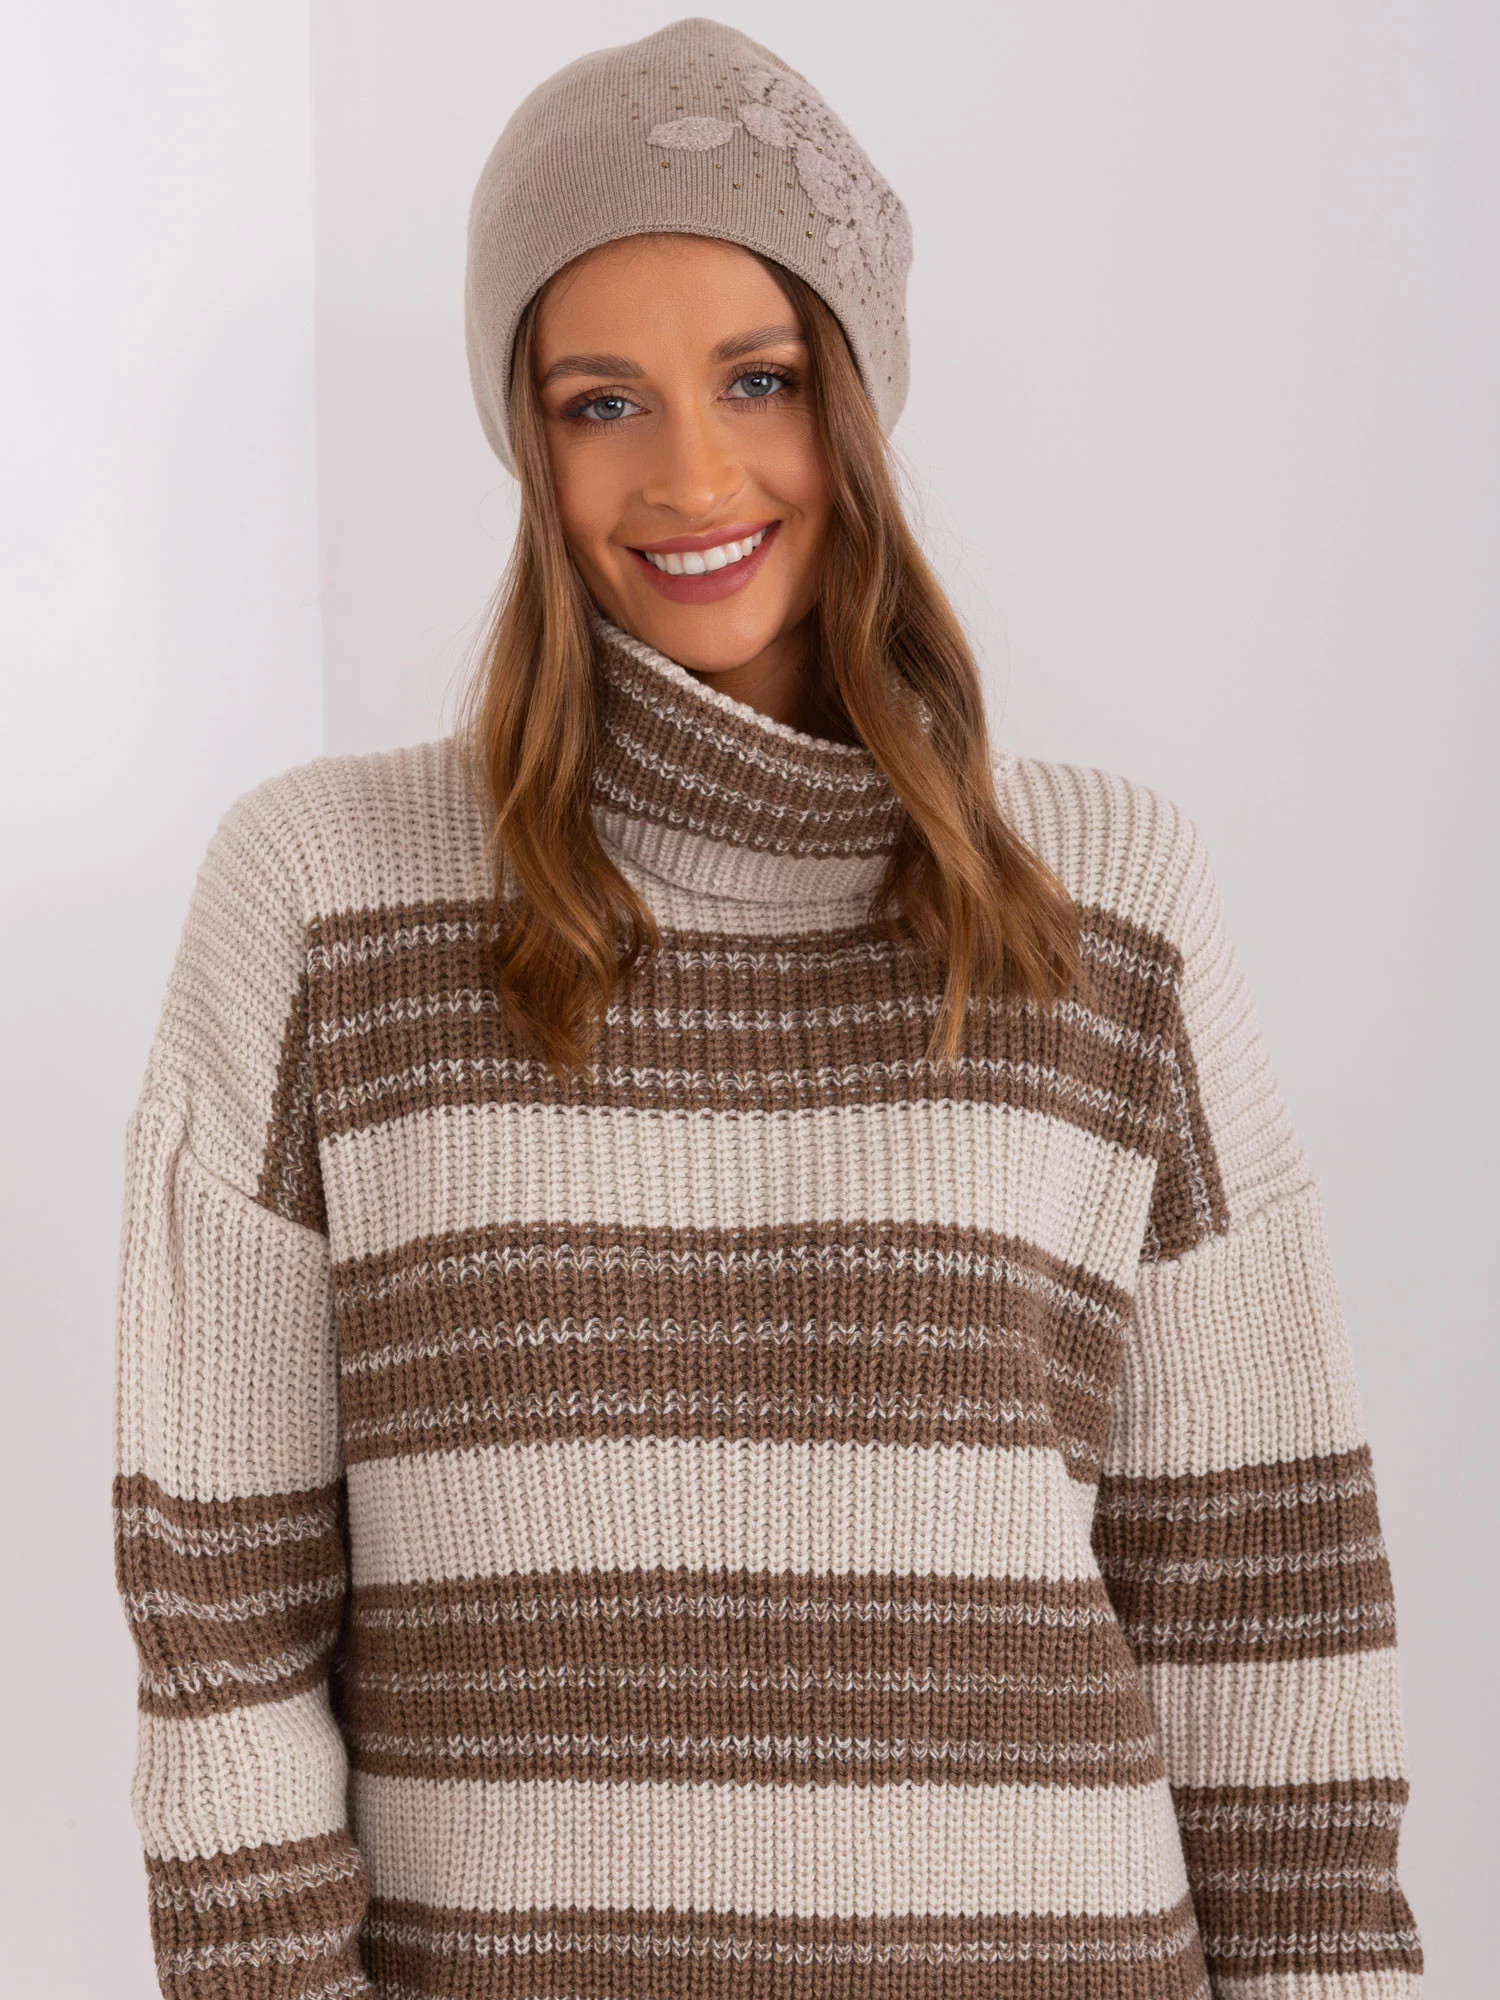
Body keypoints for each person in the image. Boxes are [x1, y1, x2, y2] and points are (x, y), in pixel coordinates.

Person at [112, 17, 1424, 2000]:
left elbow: (1264, 1599)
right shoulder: (324, 898)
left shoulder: (1111, 904)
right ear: (528, 442)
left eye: (760, 379)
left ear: (856, 400)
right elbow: (222, 1623)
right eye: (602, 402)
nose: (694, 474)